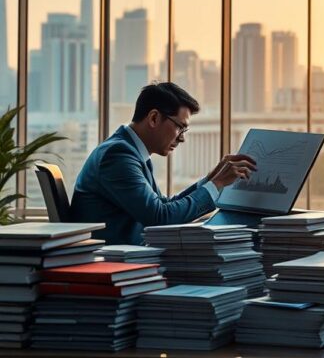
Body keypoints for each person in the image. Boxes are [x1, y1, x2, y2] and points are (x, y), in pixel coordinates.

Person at [69, 82, 257, 246]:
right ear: (154, 118)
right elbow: (160, 217)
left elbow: (163, 205)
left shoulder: (131, 151)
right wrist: (217, 184)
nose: (182, 138)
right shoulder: (118, 155)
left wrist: (212, 178)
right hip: (111, 264)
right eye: (180, 127)